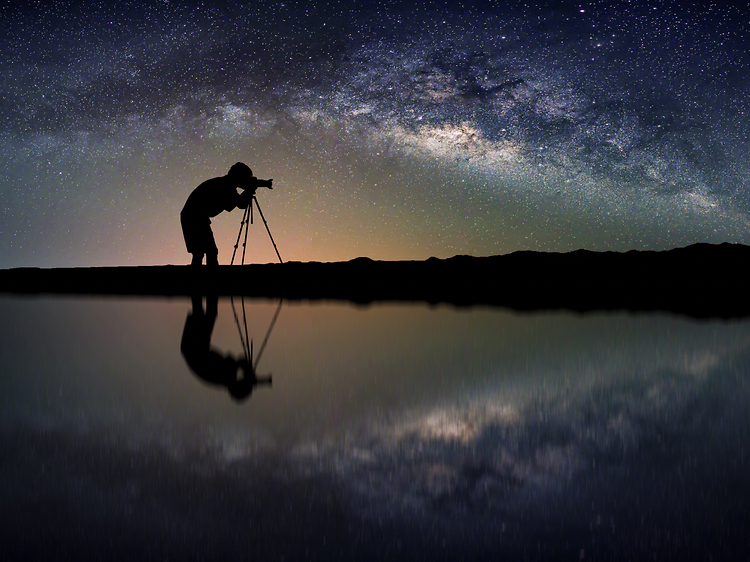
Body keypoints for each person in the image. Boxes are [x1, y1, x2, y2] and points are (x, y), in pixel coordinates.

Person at [180, 163, 273, 266]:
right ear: (239, 176)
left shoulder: (224, 183)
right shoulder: (225, 186)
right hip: (195, 217)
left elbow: (236, 203)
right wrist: (249, 190)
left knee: (200, 252)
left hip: (194, 217)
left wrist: (249, 189)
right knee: (208, 251)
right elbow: (241, 204)